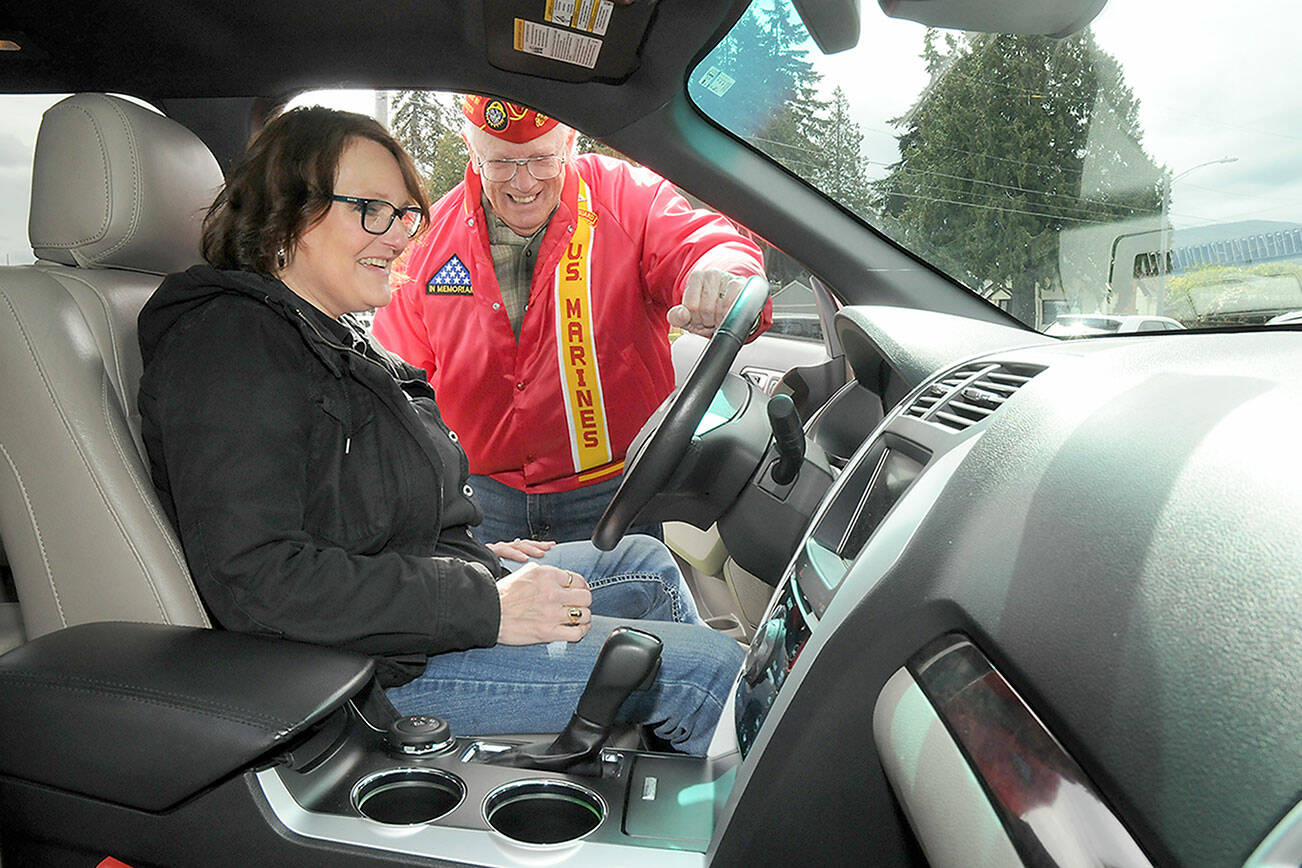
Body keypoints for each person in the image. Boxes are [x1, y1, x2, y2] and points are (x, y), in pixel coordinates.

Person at [136, 106, 744, 755]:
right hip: (373, 671)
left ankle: (658, 759)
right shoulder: (234, 344)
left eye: (404, 215)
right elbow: (257, 580)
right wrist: (484, 602)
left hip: (419, 606)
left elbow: (354, 501)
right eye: (372, 209)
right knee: (707, 671)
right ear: (286, 209)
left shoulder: (321, 330)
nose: (400, 238)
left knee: (645, 565)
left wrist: (470, 553)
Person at [372, 95, 770, 545]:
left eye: (542, 159)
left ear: (570, 145)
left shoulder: (627, 197)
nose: (523, 183)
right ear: (471, 150)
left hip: (610, 490)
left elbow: (702, 243)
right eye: (500, 163)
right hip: (482, 497)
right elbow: (399, 379)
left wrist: (724, 275)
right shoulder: (427, 242)